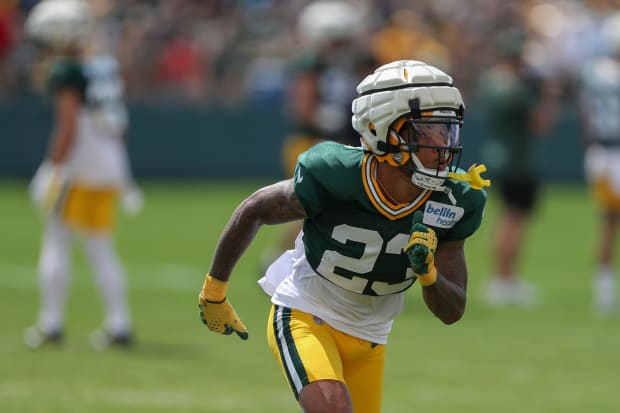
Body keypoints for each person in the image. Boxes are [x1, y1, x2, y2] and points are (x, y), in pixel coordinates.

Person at [197, 60, 490, 413]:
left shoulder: (458, 198)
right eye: (428, 130)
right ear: (385, 131)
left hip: (371, 335)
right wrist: (215, 290)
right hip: (307, 312)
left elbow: (452, 310)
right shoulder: (335, 174)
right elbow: (256, 208)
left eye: (447, 130)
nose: (443, 143)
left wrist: (429, 274)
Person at [23, 0, 142, 349]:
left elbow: (68, 124)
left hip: (80, 167)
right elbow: (117, 124)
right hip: (108, 165)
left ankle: (53, 322)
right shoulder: (102, 63)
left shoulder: (68, 70)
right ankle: (118, 322)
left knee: (59, 240)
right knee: (97, 245)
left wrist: (52, 167)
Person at [478, 27, 560, 308]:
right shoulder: (515, 85)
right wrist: (549, 95)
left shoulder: (492, 79)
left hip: (500, 154)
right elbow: (540, 124)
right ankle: (504, 280)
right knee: (514, 220)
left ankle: (502, 279)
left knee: (506, 218)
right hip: (518, 159)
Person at [578, 12, 620, 316]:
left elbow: (585, 113)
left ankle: (603, 291)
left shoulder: (594, 71)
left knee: (608, 223)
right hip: (616, 152)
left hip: (599, 154)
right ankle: (604, 294)